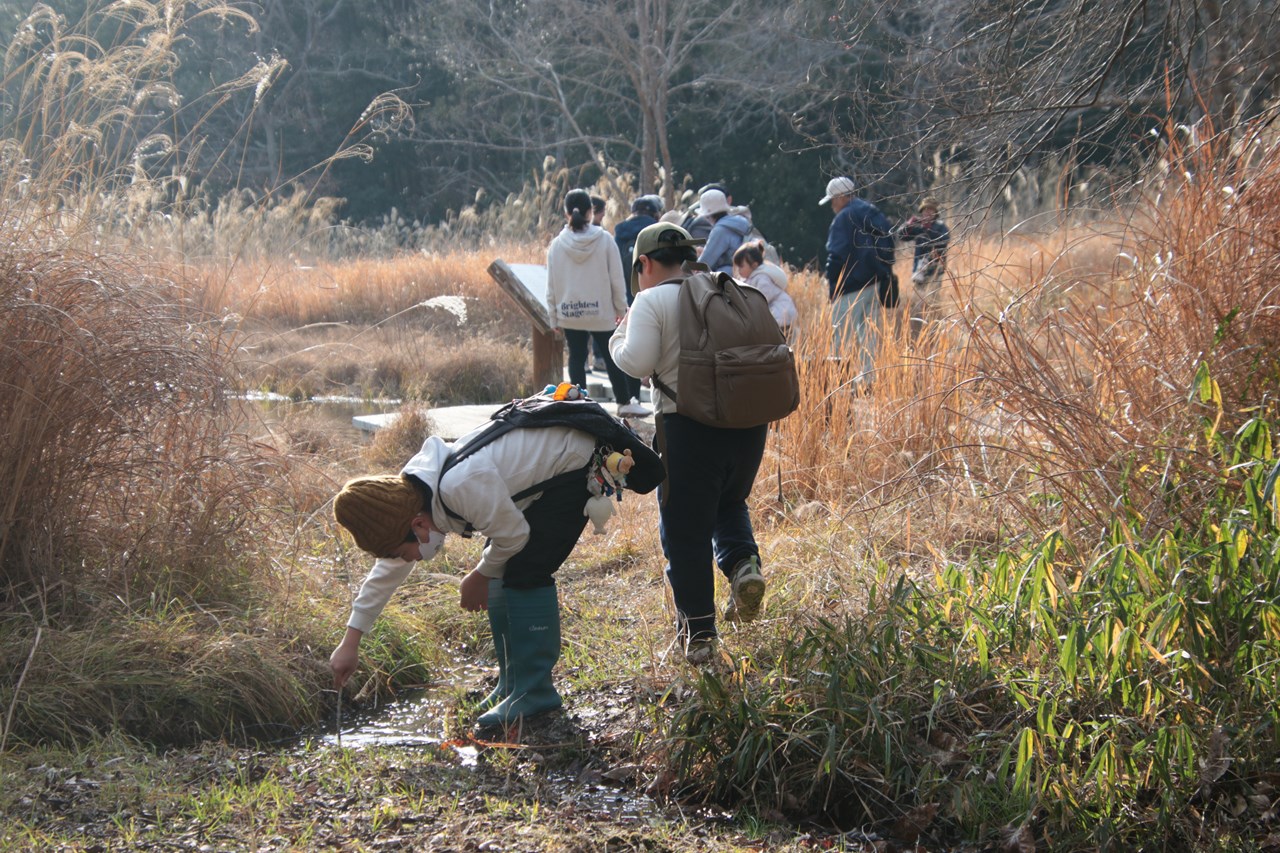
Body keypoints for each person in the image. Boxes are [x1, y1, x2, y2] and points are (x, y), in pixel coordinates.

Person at [328, 417, 600, 728]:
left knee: (526, 567)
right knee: (502, 560)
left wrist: (480, 576)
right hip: (549, 469)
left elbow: (514, 535)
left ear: (418, 526)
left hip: (576, 463)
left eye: (407, 554)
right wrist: (351, 642)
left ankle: (535, 691)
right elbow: (387, 571)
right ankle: (512, 684)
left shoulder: (458, 487)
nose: (411, 560)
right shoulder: (414, 495)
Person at [610, 223, 769, 663]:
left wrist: (618, 335)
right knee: (729, 503)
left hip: (688, 426)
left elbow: (635, 361)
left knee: (684, 532)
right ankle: (743, 567)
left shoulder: (651, 299)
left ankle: (698, 638)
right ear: (686, 257)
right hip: (748, 424)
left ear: (644, 263)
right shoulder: (729, 287)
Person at [545, 188, 636, 413]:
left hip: (569, 312)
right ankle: (624, 403)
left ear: (566, 213)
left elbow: (551, 285)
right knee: (610, 354)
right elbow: (616, 278)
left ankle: (579, 404)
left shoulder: (557, 245)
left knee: (576, 356)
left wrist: (553, 317)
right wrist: (619, 307)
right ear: (590, 211)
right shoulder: (604, 239)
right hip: (601, 312)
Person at [821, 176, 896, 381]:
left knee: (840, 333)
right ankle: (869, 379)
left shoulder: (843, 217)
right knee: (870, 332)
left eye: (833, 200)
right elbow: (890, 242)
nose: (832, 205)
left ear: (842, 196)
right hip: (876, 282)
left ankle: (837, 381)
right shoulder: (872, 211)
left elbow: (836, 255)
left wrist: (832, 287)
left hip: (851, 285)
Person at [612, 195, 664, 415]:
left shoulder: (619, 233)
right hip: (654, 294)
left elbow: (614, 268)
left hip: (626, 293)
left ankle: (632, 396)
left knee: (630, 344)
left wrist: (617, 301)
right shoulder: (659, 231)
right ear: (655, 213)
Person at [895, 196, 950, 336]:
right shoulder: (918, 226)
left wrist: (926, 230)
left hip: (934, 273)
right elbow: (901, 235)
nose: (928, 213)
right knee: (918, 303)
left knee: (933, 303)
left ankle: (935, 331)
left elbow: (944, 240)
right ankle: (919, 330)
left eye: (931, 210)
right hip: (919, 273)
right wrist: (910, 224)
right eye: (925, 210)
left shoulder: (940, 226)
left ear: (935, 212)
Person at [733, 239, 796, 338]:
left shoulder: (762, 278)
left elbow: (761, 298)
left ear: (754, 265)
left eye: (741, 267)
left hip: (780, 314)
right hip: (775, 316)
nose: (738, 270)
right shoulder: (752, 277)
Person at [696, 189, 752, 275]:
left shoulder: (720, 230)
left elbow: (704, 264)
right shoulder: (740, 220)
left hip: (733, 273)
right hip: (748, 266)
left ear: (708, 215)